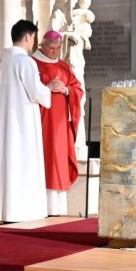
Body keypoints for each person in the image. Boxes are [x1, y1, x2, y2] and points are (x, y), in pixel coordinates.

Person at [0, 20, 57, 223]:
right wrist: (49, 88)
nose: (33, 42)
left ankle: (7, 211)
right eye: (34, 38)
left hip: (6, 123)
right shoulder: (25, 62)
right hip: (23, 122)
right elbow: (36, 92)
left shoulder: (1, 65)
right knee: (24, 163)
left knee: (10, 164)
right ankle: (22, 211)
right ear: (28, 37)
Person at [33, 31, 84, 216]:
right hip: (42, 121)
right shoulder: (33, 64)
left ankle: (57, 208)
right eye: (50, 48)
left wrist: (67, 90)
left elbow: (78, 88)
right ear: (42, 46)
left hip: (61, 123)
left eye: (57, 48)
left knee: (59, 159)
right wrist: (47, 88)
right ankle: (42, 206)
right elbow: (29, 89)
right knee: (46, 158)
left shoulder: (64, 66)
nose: (54, 52)